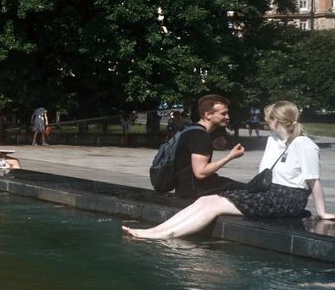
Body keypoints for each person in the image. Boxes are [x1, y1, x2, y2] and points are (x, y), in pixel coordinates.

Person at [126, 101, 334, 239]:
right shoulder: (274, 140)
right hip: (269, 192)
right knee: (206, 199)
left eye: (268, 118)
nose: (265, 121)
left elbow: (313, 181)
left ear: (276, 121)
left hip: (288, 199)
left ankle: (162, 235)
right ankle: (156, 230)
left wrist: (322, 212)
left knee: (214, 206)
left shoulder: (304, 145)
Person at [172, 94, 244, 200]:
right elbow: (201, 173)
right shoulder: (200, 136)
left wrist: (212, 144)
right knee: (250, 191)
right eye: (223, 113)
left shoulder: (191, 129)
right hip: (195, 192)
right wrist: (230, 156)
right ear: (208, 115)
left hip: (185, 187)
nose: (227, 117)